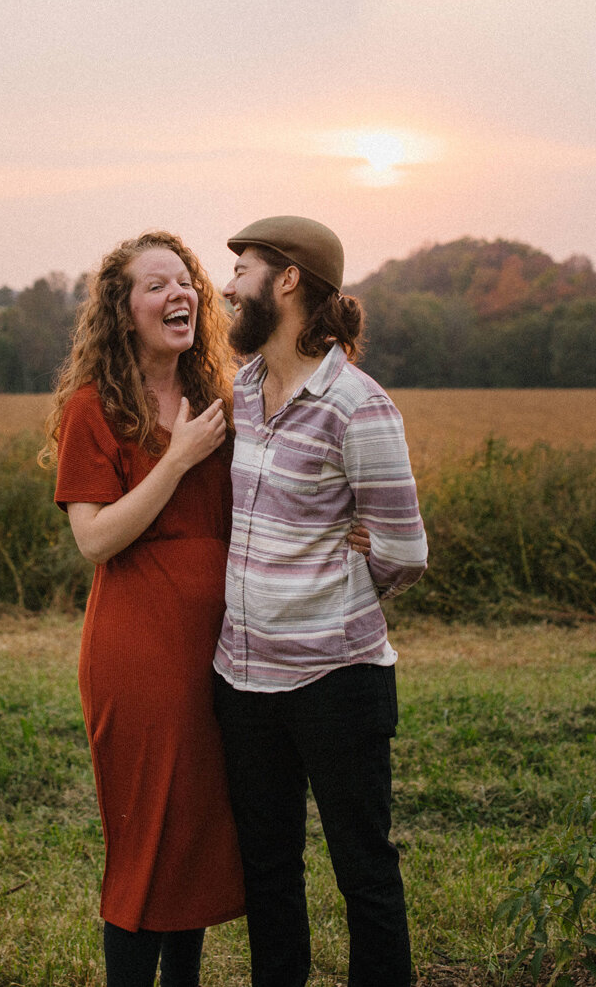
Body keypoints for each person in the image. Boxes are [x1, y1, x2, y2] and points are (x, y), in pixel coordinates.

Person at [211, 215, 430, 987]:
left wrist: (331, 597)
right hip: (241, 680)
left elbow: (405, 550)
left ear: (289, 279)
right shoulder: (238, 390)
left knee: (362, 870)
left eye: (242, 270)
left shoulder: (359, 407)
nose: (229, 285)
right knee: (268, 871)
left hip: (338, 682)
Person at [46, 230, 245, 987]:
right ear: (123, 312)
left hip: (219, 649)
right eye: (157, 285)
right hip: (139, 653)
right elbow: (96, 538)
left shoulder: (219, 399)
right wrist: (179, 457)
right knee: (147, 837)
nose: (180, 294)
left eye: (186, 280)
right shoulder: (93, 409)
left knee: (193, 831)